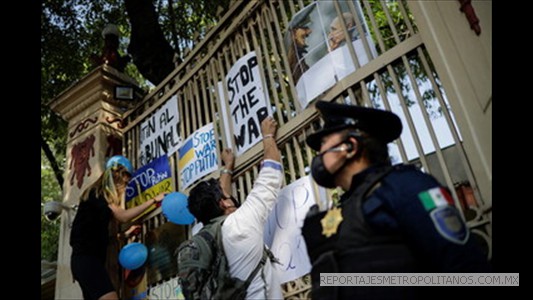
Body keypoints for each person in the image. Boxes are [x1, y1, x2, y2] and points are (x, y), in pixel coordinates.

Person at [302, 101, 491, 299]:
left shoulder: (406, 187)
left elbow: (465, 268)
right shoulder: (344, 208)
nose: (319, 154)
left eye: (324, 144)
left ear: (350, 146)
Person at [177, 116, 284, 299]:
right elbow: (272, 172)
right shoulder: (241, 223)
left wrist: (227, 168)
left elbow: (222, 199)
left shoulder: (203, 238)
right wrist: (267, 136)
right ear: (224, 203)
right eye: (227, 197)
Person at [70, 155, 166, 300]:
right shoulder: (102, 194)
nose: (126, 188)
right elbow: (123, 216)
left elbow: (95, 235)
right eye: (126, 184)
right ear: (118, 178)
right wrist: (153, 200)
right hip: (88, 260)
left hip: (82, 261)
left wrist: (123, 235)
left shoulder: (94, 197)